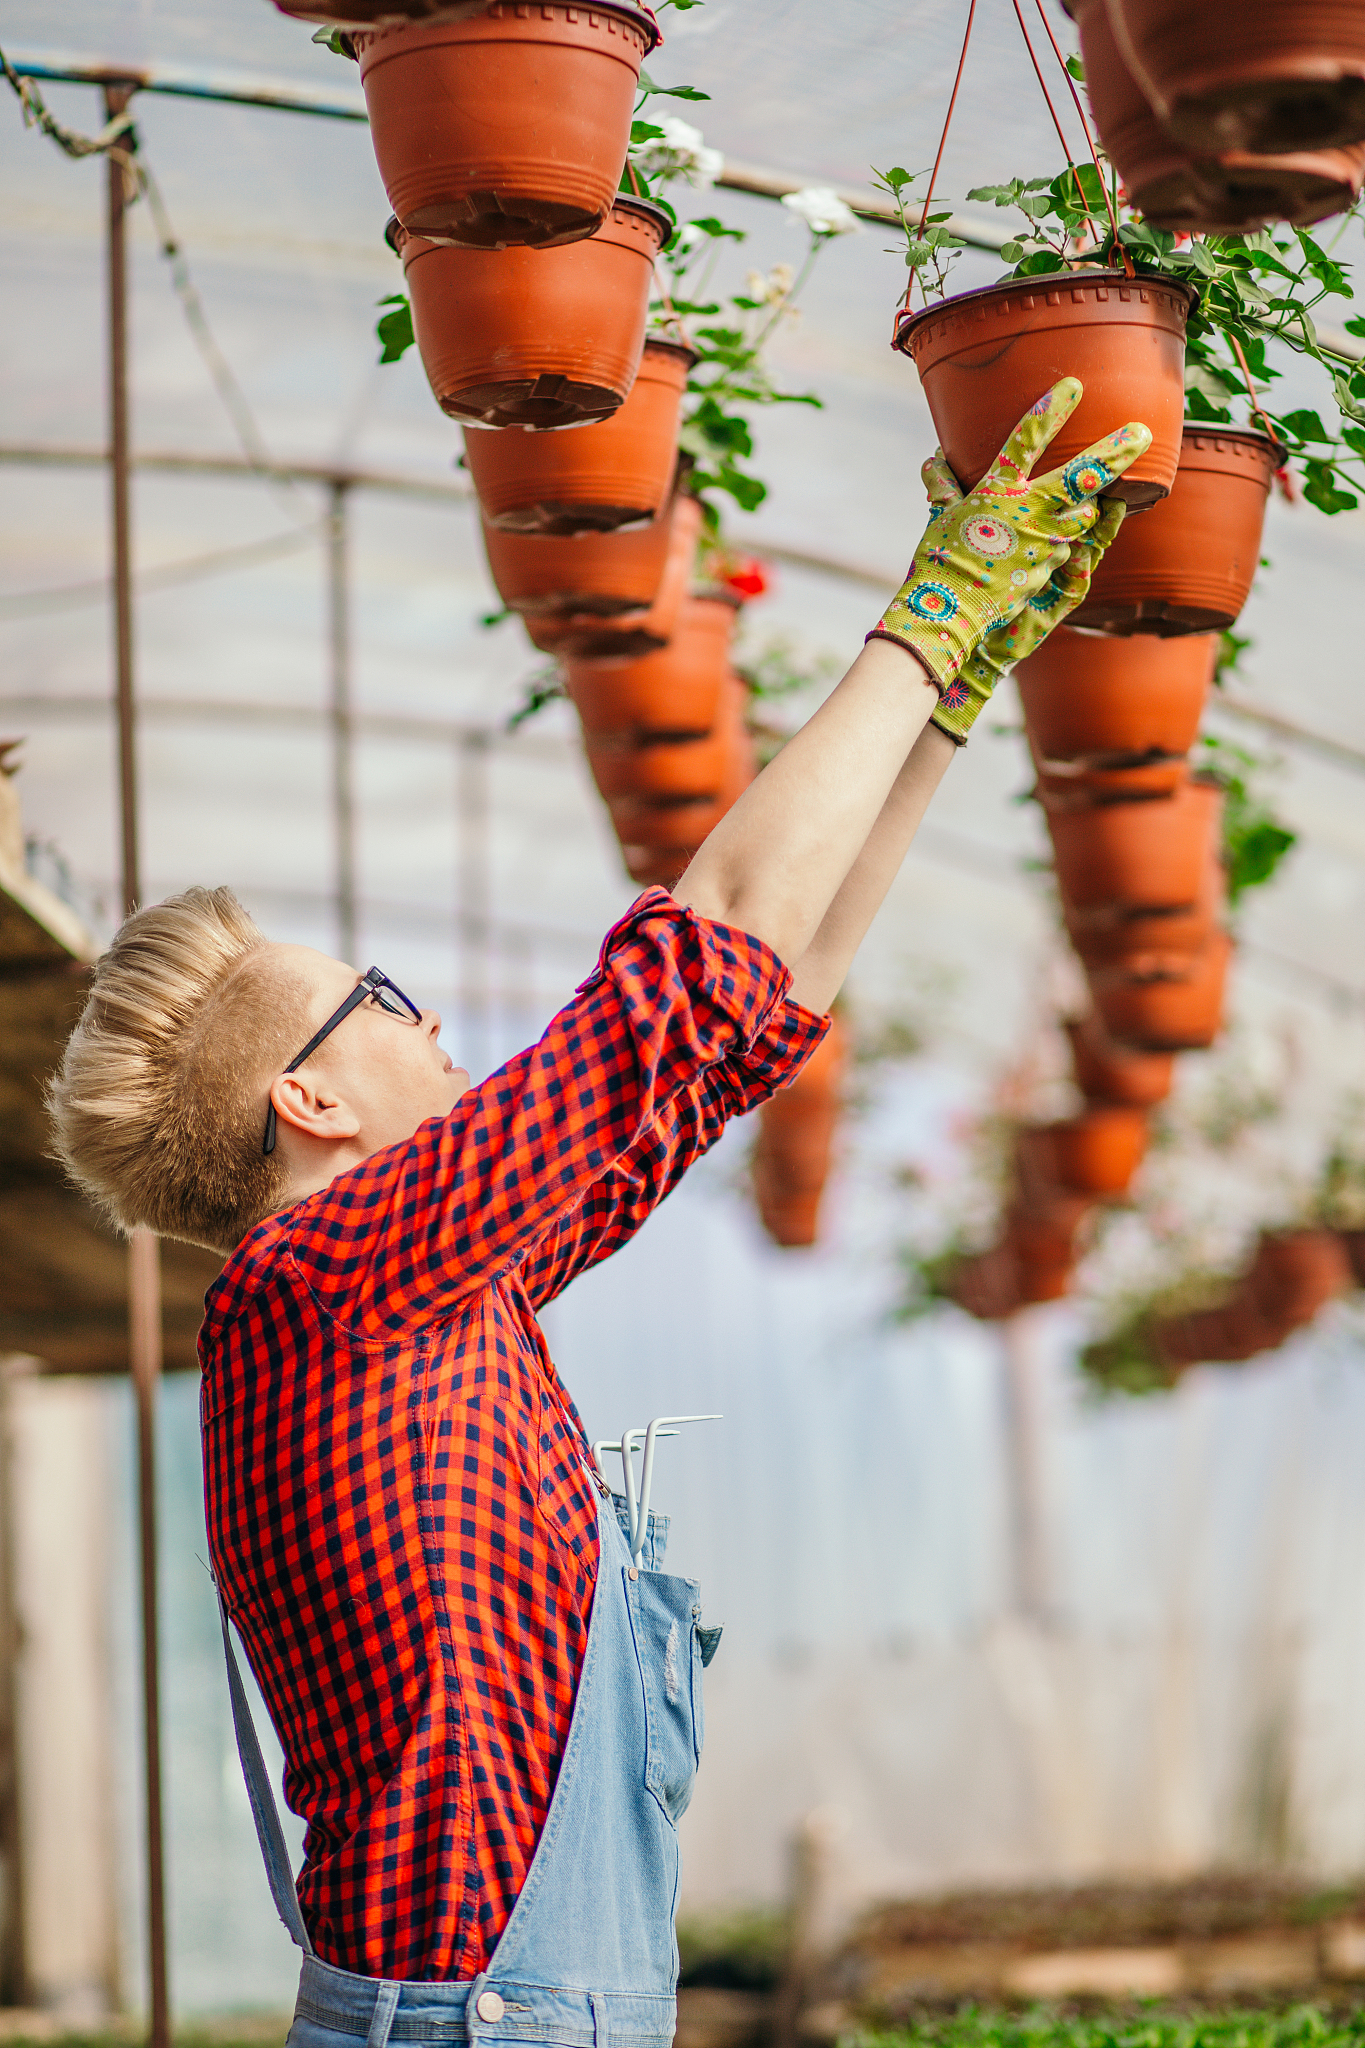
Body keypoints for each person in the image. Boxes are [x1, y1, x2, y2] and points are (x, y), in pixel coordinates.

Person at [48, 381, 1148, 2048]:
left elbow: (738, 1021)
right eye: (387, 1001)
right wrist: (924, 620)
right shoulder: (328, 1279)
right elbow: (695, 947)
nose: (433, 1027)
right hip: (489, 2017)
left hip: (515, 2004)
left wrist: (954, 695)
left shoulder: (425, 1297)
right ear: (314, 1103)